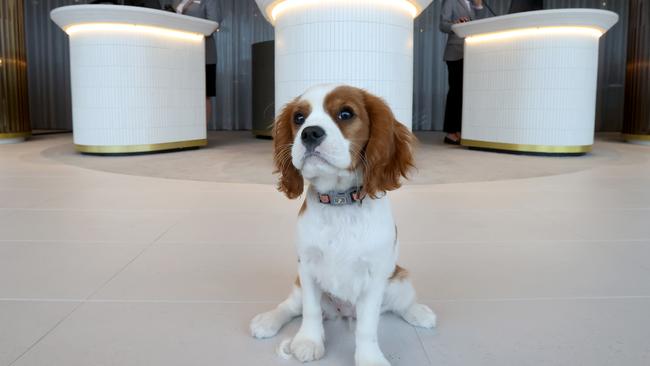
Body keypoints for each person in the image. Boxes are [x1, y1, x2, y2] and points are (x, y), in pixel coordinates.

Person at [439, 0, 492, 145]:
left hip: (470, 52)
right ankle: (450, 133)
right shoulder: (451, 1)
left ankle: (461, 130)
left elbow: (480, 24)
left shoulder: (473, 3)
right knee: (455, 92)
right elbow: (443, 25)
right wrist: (456, 24)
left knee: (465, 93)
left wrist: (479, 6)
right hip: (455, 52)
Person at [174, 0, 221, 125]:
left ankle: (202, 132)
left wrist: (191, 29)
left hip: (205, 53)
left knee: (204, 94)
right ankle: (185, 128)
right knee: (184, 93)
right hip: (182, 52)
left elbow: (214, 23)